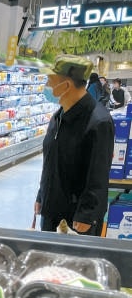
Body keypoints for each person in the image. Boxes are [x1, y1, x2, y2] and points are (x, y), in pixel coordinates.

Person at [35, 54, 114, 236]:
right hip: (52, 210)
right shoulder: (59, 116)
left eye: (50, 80)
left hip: (77, 218)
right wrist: (42, 195)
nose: (47, 85)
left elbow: (98, 174)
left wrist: (87, 214)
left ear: (66, 85)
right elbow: (51, 162)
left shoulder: (99, 121)